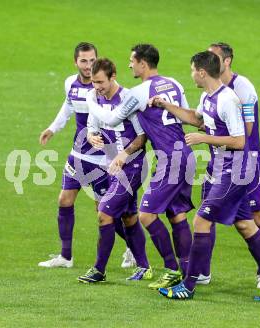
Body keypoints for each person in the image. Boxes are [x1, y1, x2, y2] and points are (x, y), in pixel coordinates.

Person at [150, 51, 260, 301]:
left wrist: (204, 138)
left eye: (192, 70)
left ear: (202, 72)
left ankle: (188, 285)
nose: (191, 74)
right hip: (222, 167)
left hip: (233, 170)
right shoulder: (207, 96)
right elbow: (196, 118)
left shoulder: (228, 100)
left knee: (201, 222)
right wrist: (166, 105)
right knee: (245, 225)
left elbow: (239, 140)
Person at [86, 44, 194, 289]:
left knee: (145, 214)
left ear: (143, 64)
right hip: (185, 154)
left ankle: (172, 269)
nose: (129, 65)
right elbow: (187, 115)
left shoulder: (137, 92)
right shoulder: (174, 83)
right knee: (177, 215)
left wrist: (88, 100)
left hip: (169, 159)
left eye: (132, 61)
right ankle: (190, 272)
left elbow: (112, 119)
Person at [38, 42, 135, 269]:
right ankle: (65, 257)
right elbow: (68, 106)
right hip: (78, 154)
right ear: (76, 62)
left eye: (92, 60)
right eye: (84, 61)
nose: (89, 65)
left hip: (102, 159)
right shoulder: (70, 84)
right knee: (64, 199)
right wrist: (53, 128)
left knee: (103, 211)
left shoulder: (107, 88)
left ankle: (132, 246)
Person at [77, 58, 153, 283]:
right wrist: (91, 135)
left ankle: (99, 270)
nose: (97, 86)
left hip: (133, 166)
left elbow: (142, 136)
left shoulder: (129, 98)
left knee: (104, 213)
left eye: (100, 81)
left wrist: (123, 155)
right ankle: (144, 267)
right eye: (93, 82)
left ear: (113, 77)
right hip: (113, 166)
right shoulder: (97, 97)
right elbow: (92, 124)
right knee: (129, 217)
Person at [207, 42, 260, 288]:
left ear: (227, 60)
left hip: (247, 161)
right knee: (206, 215)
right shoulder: (212, 89)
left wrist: (210, 135)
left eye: (213, 57)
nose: (207, 61)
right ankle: (200, 271)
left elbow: (247, 130)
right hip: (221, 162)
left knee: (255, 215)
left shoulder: (242, 87)